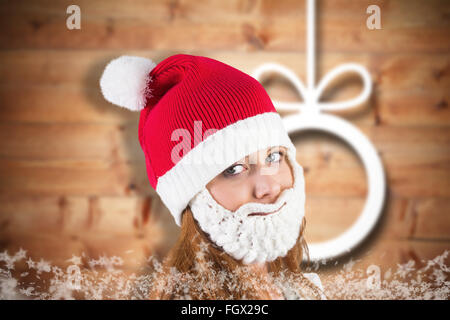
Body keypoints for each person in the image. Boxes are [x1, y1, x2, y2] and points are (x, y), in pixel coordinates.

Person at [100, 53, 327, 300]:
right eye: (233, 169)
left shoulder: (301, 289)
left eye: (273, 157)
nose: (268, 186)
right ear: (189, 195)